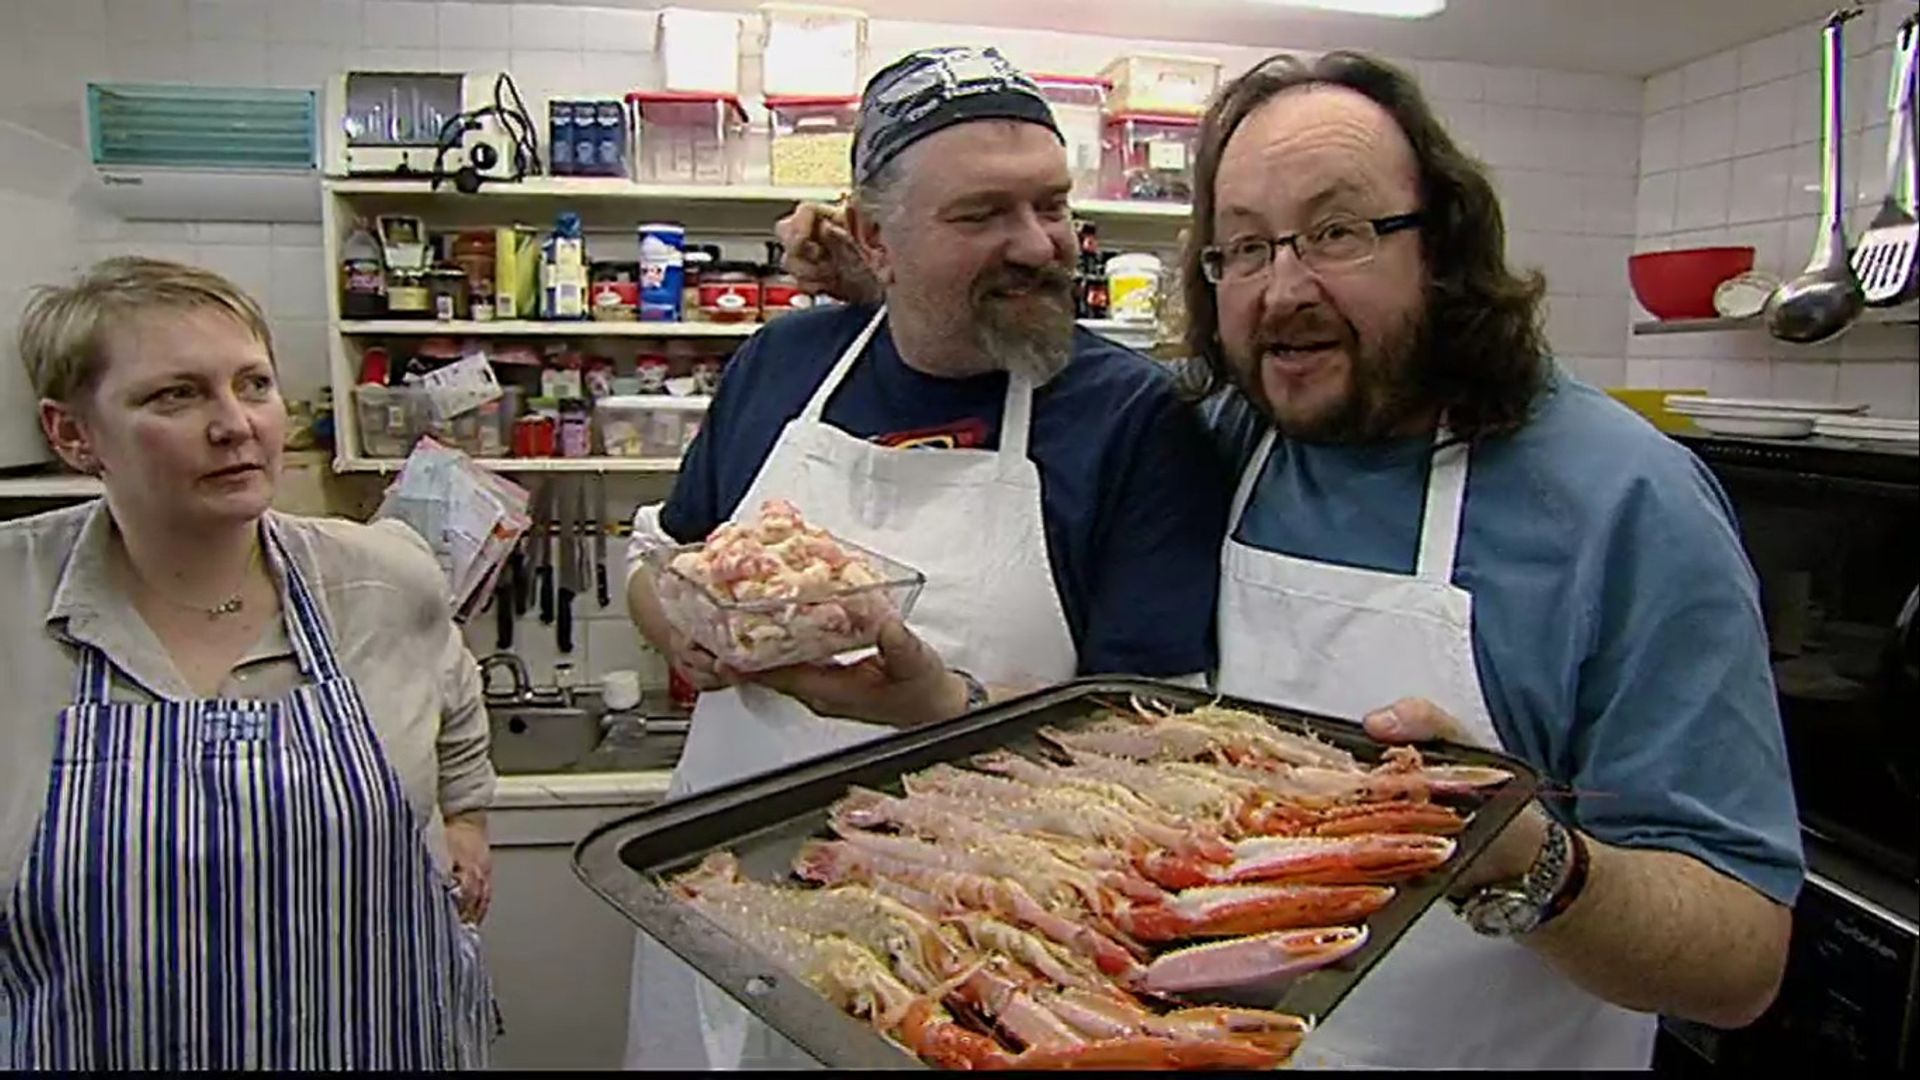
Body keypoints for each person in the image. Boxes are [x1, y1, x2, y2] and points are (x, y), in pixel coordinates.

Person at [771, 50, 1804, 1071]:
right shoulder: (1224, 430)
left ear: (1439, 245)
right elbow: (1029, 342)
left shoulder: (1624, 503)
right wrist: (890, 269)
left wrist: (1519, 856)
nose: (1283, 290)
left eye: (1337, 232)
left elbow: (1740, 964)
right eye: (1244, 249)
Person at [621, 46, 1228, 1070]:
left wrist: (943, 710)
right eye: (982, 215)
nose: (1038, 245)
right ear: (874, 239)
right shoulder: (785, 364)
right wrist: (675, 618)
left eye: (1051, 204)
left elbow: (1157, 744)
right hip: (723, 909)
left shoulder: (1133, 420)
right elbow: (661, 560)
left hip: (977, 963)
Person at [0, 257, 499, 1069]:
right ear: (71, 433)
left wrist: (466, 817)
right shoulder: (15, 606)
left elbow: (457, 703)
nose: (236, 424)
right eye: (177, 394)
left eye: (254, 385)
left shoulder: (382, 579)